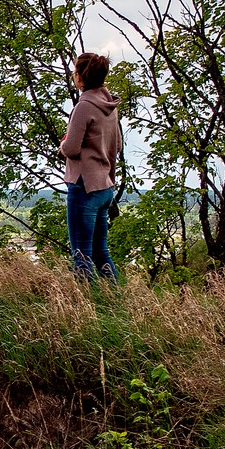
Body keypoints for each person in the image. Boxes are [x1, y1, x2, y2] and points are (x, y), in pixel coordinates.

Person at [59, 52, 123, 282]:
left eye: (75, 72)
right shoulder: (109, 106)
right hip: (104, 186)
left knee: (81, 256)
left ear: (81, 76)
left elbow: (72, 148)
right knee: (100, 252)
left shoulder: (84, 106)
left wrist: (63, 143)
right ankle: (113, 301)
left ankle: (86, 310)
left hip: (84, 186)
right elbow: (117, 145)